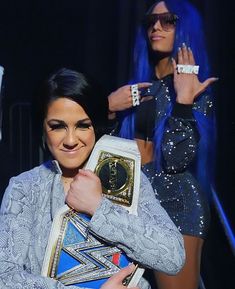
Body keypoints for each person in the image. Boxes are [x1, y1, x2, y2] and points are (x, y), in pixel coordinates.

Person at [0, 68, 185, 289]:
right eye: (57, 126)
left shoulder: (125, 175)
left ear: (95, 126)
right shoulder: (25, 188)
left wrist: (99, 207)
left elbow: (173, 257)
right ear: (43, 127)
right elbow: (5, 277)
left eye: (82, 125)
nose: (70, 139)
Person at [107, 1, 217, 289]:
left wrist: (183, 102)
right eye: (151, 21)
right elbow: (109, 154)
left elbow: (176, 158)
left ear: (185, 29)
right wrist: (107, 108)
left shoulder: (195, 88)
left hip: (176, 204)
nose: (156, 26)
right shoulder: (136, 88)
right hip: (132, 203)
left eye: (168, 20)